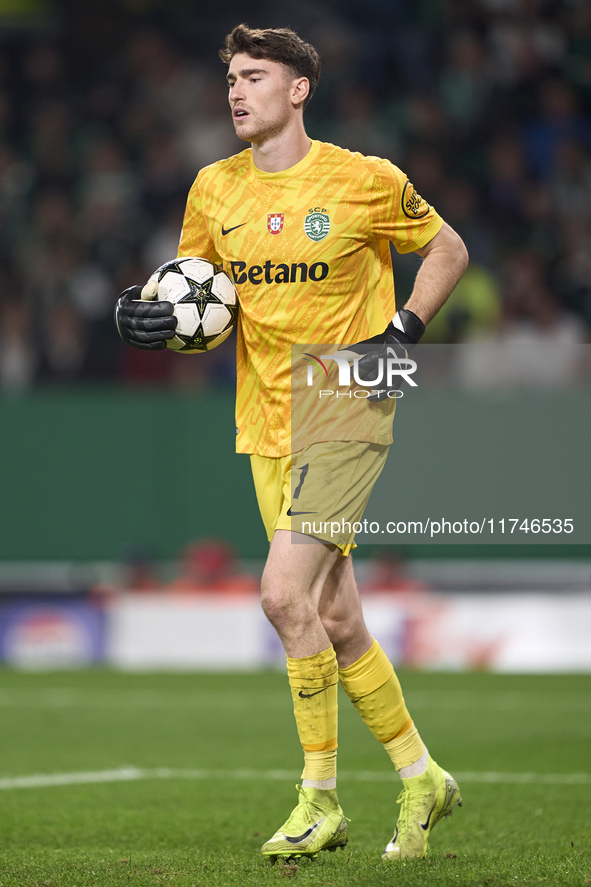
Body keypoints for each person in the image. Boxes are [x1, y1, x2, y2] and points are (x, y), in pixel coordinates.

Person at [115, 24, 469, 864]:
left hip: (347, 402)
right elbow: (195, 302)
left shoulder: (362, 179)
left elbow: (448, 250)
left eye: (255, 76)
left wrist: (401, 331)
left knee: (281, 596)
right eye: (231, 78)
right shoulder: (213, 189)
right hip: (264, 419)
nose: (236, 91)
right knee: (335, 615)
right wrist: (147, 318)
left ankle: (319, 798)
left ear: (297, 89)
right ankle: (422, 776)